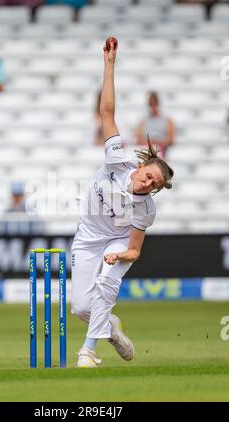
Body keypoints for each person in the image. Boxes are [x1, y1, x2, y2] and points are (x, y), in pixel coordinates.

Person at [71, 39, 174, 368]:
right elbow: (106, 112)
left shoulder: (146, 209)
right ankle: (111, 330)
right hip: (89, 234)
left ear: (156, 189)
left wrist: (119, 255)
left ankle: (88, 352)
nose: (147, 183)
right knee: (80, 308)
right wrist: (110, 64)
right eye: (148, 175)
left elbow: (135, 250)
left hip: (115, 241)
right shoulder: (119, 159)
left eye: (154, 184)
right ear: (141, 165)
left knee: (106, 281)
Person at [135, 92, 175, 158]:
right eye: (150, 104)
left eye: (154, 103)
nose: (153, 106)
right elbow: (138, 139)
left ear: (158, 103)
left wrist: (156, 143)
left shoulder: (167, 120)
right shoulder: (143, 121)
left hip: (160, 150)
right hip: (146, 149)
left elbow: (171, 140)